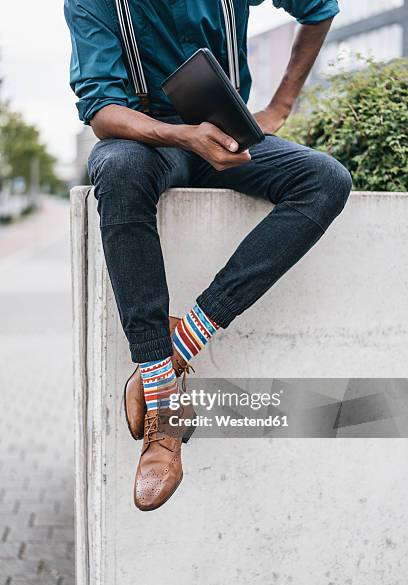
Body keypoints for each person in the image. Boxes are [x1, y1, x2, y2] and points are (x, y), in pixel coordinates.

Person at [65, 0, 352, 512]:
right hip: (145, 142)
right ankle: (164, 413)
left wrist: (280, 107)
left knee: (325, 179)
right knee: (116, 170)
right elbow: (101, 112)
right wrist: (181, 135)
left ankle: (169, 350)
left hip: (228, 137)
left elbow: (319, 8)